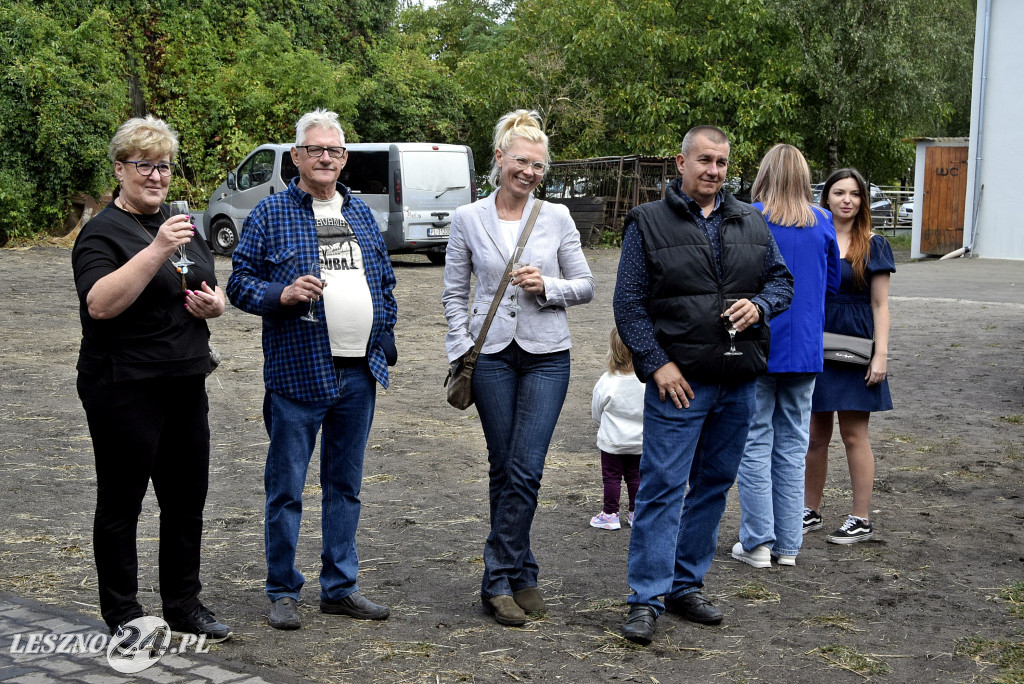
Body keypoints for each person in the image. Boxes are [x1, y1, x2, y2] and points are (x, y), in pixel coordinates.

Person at [612, 125, 793, 645]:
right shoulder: (648, 222)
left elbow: (782, 282)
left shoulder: (751, 221)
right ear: (681, 162)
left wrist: (759, 305)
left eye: (722, 163)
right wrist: (656, 363)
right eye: (704, 160)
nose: (714, 171)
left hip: (738, 381)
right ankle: (646, 597)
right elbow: (629, 304)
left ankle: (685, 585)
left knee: (713, 485)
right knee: (663, 488)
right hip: (679, 384)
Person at [227, 109, 398, 630]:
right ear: (297, 156)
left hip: (357, 376)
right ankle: (283, 590)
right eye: (315, 149)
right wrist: (280, 294)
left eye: (335, 150)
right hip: (298, 375)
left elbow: (385, 281)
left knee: (344, 488)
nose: (326, 158)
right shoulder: (270, 214)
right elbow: (238, 284)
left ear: (344, 159)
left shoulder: (361, 213)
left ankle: (339, 588)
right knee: (287, 489)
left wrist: (384, 334)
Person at [72, 116, 230, 641]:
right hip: (124, 386)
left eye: (163, 166)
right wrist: (157, 248)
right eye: (144, 166)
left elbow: (207, 282)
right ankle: (123, 613)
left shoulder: (181, 221)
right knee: (122, 502)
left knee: (186, 500)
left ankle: (183, 604)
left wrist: (216, 303)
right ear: (120, 170)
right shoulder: (101, 233)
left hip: (184, 381)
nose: (156, 177)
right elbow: (100, 304)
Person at [442, 109, 595, 627]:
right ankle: (521, 572)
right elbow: (454, 294)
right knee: (504, 466)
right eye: (521, 161)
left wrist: (547, 287)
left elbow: (586, 285)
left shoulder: (557, 218)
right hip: (489, 356)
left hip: (547, 355)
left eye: (538, 166)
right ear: (500, 159)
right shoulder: (467, 219)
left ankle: (496, 578)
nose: (529, 172)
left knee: (526, 467)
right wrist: (462, 346)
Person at [732, 144, 841, 569]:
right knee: (794, 445)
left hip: (758, 344)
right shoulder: (823, 221)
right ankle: (789, 545)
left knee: (755, 442)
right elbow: (831, 286)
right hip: (806, 350)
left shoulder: (750, 217)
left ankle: (758, 542)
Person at [804, 168, 895, 544]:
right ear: (825, 198)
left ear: (863, 200)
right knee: (814, 436)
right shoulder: (815, 237)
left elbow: (881, 304)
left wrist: (881, 356)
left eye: (855, 194)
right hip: (815, 347)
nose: (847, 200)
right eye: (839, 192)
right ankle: (809, 511)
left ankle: (860, 518)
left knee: (855, 435)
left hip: (857, 349)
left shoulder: (874, 243)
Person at [589, 327, 644, 531]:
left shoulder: (607, 381)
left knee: (611, 477)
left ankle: (610, 514)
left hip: (612, 442)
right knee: (635, 477)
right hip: (639, 441)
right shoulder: (645, 381)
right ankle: (635, 513)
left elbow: (597, 410)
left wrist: (601, 426)